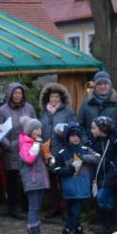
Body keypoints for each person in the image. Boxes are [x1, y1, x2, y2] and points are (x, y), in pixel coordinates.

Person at [50, 123, 99, 234]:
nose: (75, 138)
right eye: (72, 135)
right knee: (74, 212)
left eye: (77, 135)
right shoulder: (62, 152)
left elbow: (98, 158)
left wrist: (83, 158)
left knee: (74, 212)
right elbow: (55, 169)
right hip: (69, 186)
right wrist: (70, 169)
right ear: (67, 137)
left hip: (82, 185)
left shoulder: (85, 149)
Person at [0, 82, 36, 219]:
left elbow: (35, 126)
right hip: (11, 149)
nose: (18, 95)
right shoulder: (2, 110)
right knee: (12, 179)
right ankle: (12, 207)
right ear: (10, 94)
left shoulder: (29, 108)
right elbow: (0, 131)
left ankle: (27, 206)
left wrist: (32, 142)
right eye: (15, 93)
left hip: (27, 148)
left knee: (27, 178)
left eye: (20, 93)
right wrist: (9, 145)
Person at [39, 82, 76, 218]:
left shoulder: (68, 112)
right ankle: (54, 207)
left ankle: (65, 209)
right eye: (52, 97)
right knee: (50, 182)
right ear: (48, 99)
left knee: (63, 181)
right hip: (46, 152)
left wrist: (65, 132)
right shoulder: (43, 113)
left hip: (61, 151)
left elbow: (73, 129)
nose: (54, 100)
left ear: (61, 99)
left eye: (57, 97)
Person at [77, 70, 117, 145]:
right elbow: (79, 125)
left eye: (105, 83)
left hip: (114, 150)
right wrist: (86, 140)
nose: (102, 86)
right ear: (95, 86)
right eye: (99, 84)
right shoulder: (86, 103)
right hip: (91, 149)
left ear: (110, 85)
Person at [18, 117, 51, 234]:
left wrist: (48, 156)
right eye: (36, 129)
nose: (39, 131)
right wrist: (37, 144)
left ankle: (37, 232)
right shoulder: (25, 144)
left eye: (40, 128)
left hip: (40, 180)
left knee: (37, 207)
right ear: (30, 130)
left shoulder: (37, 143)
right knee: (33, 207)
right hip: (32, 181)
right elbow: (29, 159)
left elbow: (42, 162)